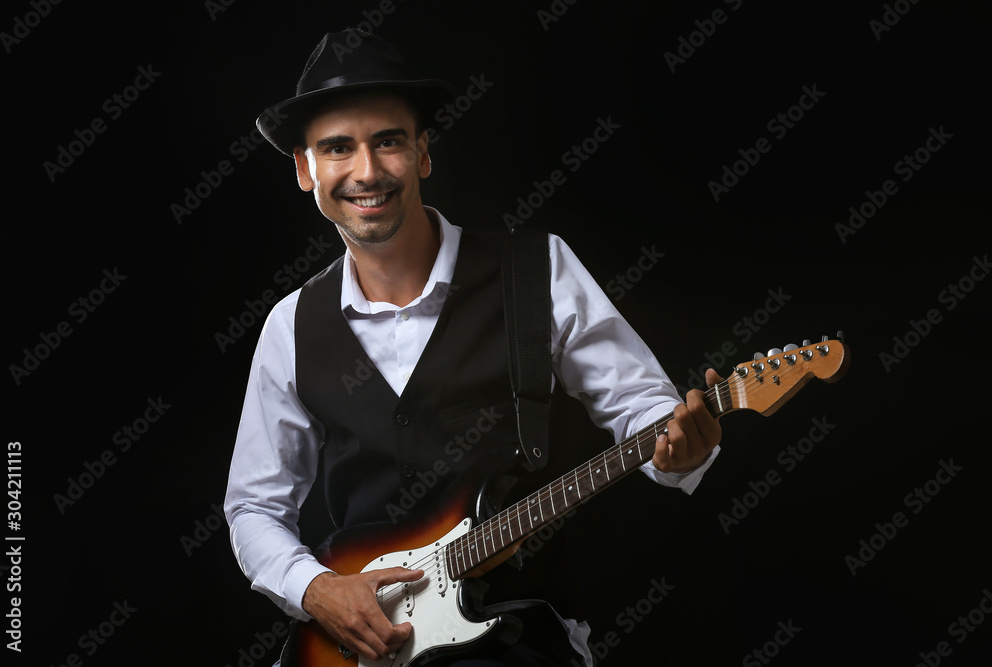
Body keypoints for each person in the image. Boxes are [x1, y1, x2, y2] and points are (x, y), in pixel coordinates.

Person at [225, 28, 723, 666]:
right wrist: (317, 589)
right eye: (337, 148)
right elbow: (253, 507)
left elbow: (645, 411)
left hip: (514, 632)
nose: (367, 171)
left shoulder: (535, 272)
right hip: (356, 647)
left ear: (423, 153)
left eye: (389, 141)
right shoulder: (289, 326)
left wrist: (681, 452)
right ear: (305, 169)